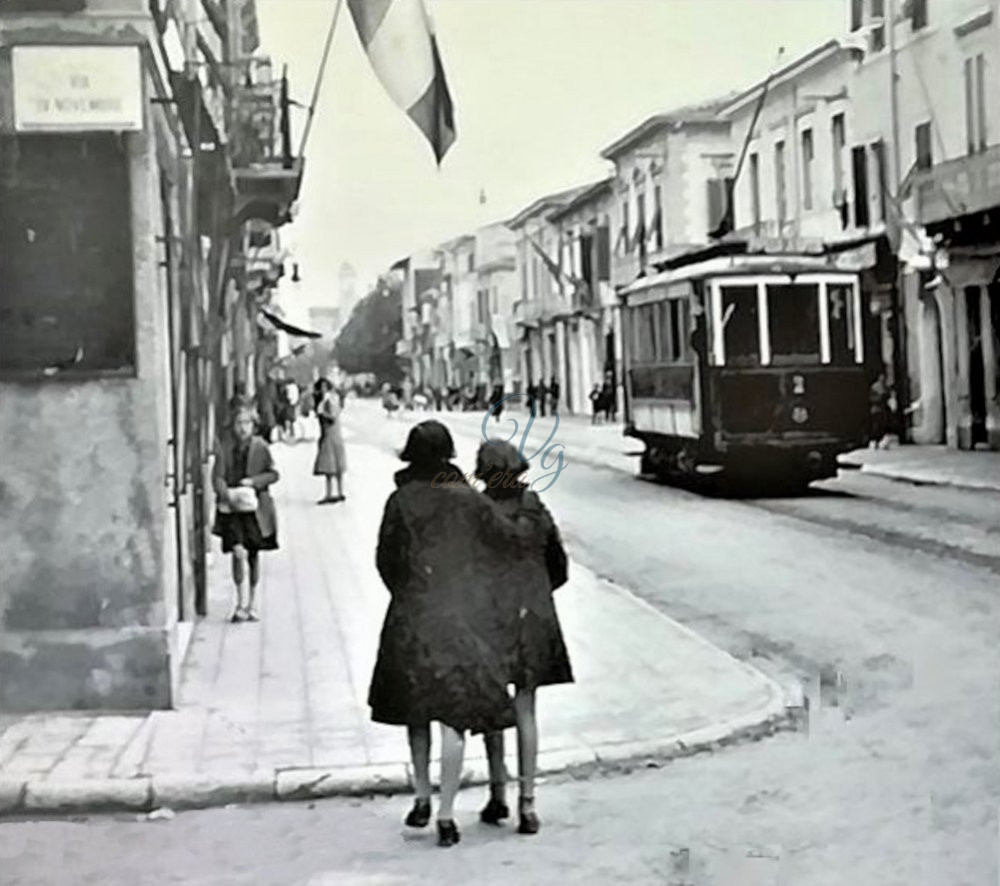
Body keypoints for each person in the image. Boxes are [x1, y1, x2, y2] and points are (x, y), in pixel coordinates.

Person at [369, 421, 531, 848]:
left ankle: (422, 794)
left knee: (415, 710)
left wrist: (407, 592)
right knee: (453, 715)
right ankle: (446, 814)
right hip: (459, 615)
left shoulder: (399, 499)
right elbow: (505, 544)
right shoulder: (468, 499)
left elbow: (384, 559)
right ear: (448, 455)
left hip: (411, 613)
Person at [475, 441, 572, 836]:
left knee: (492, 707)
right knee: (526, 708)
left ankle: (497, 793)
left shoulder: (476, 511)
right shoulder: (535, 507)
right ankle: (527, 803)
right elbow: (559, 566)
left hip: (490, 618)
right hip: (533, 615)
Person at [212, 403, 280, 622]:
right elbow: (218, 476)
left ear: (254, 425)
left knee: (253, 554)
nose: (243, 428)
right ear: (232, 425)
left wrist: (254, 482)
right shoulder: (225, 447)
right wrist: (225, 494)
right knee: (237, 551)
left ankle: (252, 602)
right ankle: (239, 601)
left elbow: (273, 474)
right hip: (232, 509)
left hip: (254, 508)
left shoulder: (260, 447)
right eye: (239, 423)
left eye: (247, 423)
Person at [313, 378, 346, 504]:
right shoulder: (334, 397)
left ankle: (329, 493)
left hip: (330, 434)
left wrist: (322, 414)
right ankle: (339, 492)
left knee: (329, 466)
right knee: (337, 464)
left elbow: (333, 417)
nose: (322, 390)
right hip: (334, 434)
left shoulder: (327, 399)